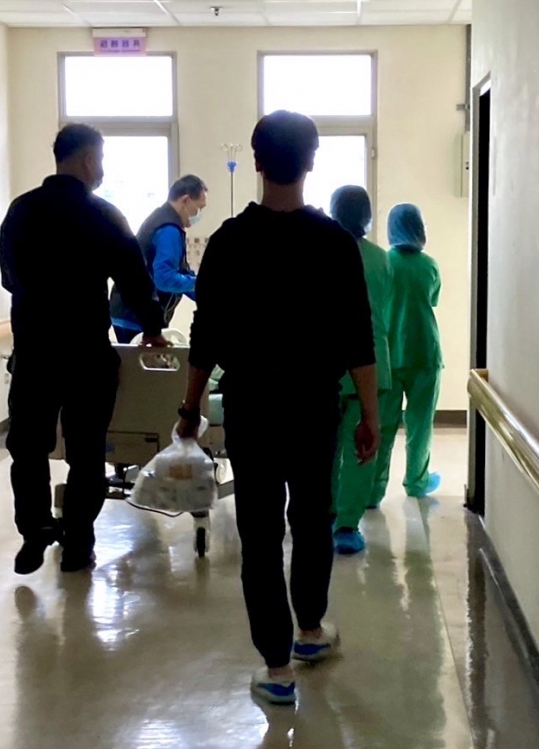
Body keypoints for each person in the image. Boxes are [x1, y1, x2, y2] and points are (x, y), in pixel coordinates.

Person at [176, 111, 381, 705]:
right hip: (315, 405)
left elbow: (205, 337)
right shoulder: (336, 244)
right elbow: (358, 339)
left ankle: (277, 667)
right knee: (313, 519)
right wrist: (369, 415)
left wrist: (190, 408)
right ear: (311, 161)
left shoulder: (229, 243)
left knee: (261, 533)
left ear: (258, 162)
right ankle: (310, 631)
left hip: (252, 406)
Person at [0, 124, 167, 576]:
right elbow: (134, 280)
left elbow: (8, 278)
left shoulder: (21, 211)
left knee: (28, 447)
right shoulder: (103, 215)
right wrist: (153, 327)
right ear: (89, 160)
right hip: (86, 355)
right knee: (87, 453)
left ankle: (35, 530)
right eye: (101, 159)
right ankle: (77, 544)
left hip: (34, 352)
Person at [329, 185, 393, 556]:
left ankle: (325, 513)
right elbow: (383, 309)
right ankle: (347, 526)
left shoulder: (321, 253)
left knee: (324, 447)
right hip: (372, 364)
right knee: (362, 449)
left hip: (327, 366)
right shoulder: (381, 259)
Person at [373, 203, 443, 502]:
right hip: (424, 352)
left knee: (383, 425)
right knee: (420, 424)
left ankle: (374, 490)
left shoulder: (383, 263)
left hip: (389, 354)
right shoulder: (429, 266)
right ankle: (416, 482)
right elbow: (433, 299)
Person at [109, 174, 208, 343]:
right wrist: (200, 283)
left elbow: (180, 272)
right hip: (136, 317)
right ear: (185, 200)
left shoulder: (161, 218)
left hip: (127, 309)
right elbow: (165, 278)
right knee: (147, 360)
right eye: (199, 208)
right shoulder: (169, 229)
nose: (199, 214)